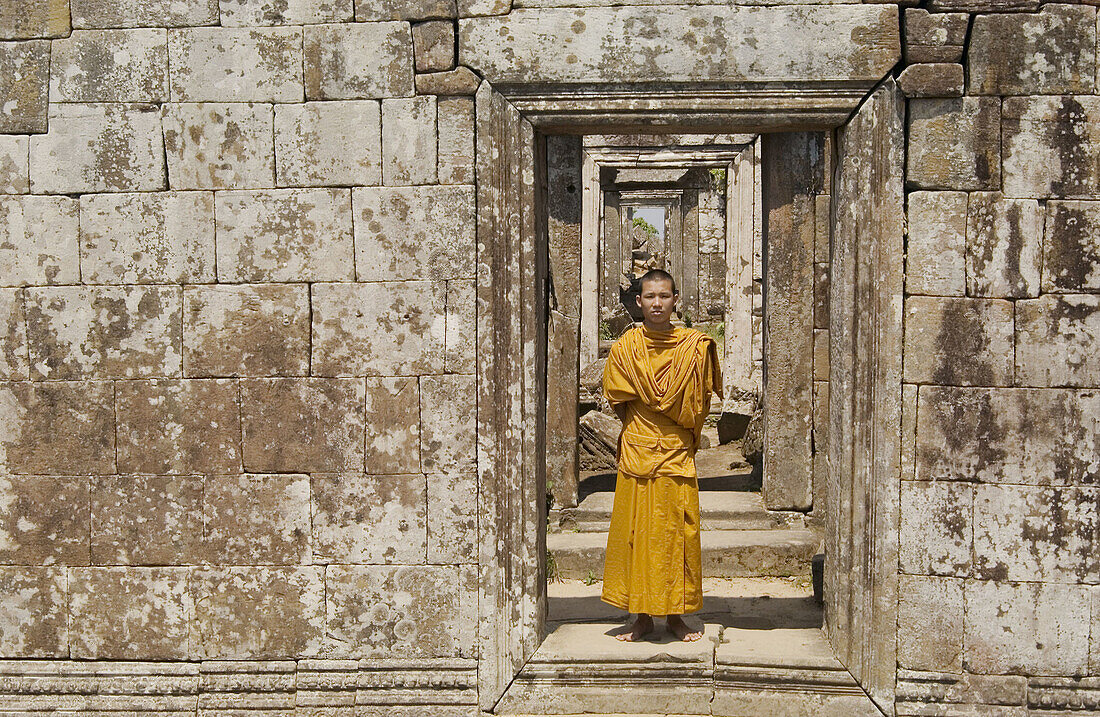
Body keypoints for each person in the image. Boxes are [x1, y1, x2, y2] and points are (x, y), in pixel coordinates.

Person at [600, 269, 722, 642]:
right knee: (636, 533)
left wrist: (667, 423)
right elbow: (617, 399)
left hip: (675, 454)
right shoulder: (626, 348)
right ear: (638, 301)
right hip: (638, 449)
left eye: (664, 296)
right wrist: (646, 427)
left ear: (675, 300)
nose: (657, 303)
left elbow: (699, 402)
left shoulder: (694, 347)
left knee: (676, 535)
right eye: (650, 296)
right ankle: (640, 616)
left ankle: (675, 616)